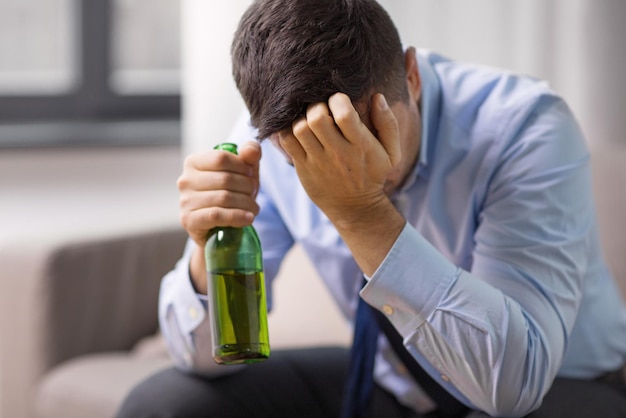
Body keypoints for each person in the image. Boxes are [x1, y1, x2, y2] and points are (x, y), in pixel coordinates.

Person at [116, 0, 626, 417]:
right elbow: (202, 359)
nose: (344, 164)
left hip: (559, 385)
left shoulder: (525, 128)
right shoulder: (268, 137)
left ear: (411, 75)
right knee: (163, 404)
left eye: (367, 136)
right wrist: (210, 250)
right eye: (307, 158)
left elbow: (512, 388)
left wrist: (361, 212)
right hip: (393, 381)